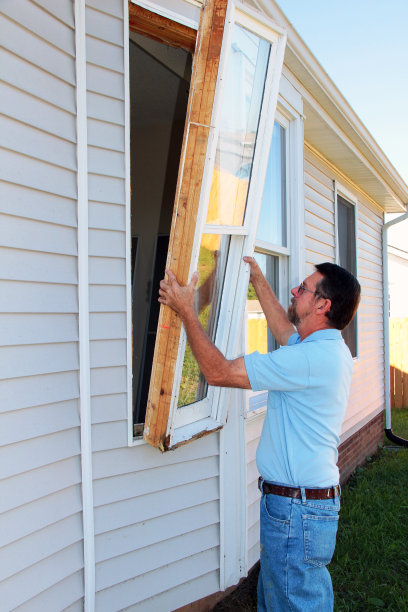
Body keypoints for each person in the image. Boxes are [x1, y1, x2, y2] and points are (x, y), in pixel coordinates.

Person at [158, 257, 361, 612]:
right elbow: (285, 330)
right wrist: (257, 278)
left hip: (296, 512)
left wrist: (187, 311)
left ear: (322, 305)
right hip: (301, 507)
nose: (295, 292)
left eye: (304, 289)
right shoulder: (326, 349)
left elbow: (219, 372)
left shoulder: (310, 359)